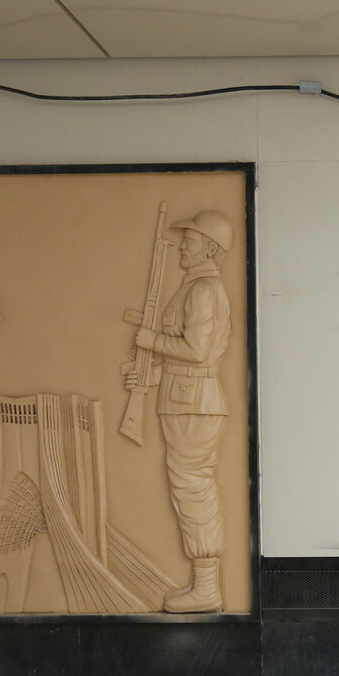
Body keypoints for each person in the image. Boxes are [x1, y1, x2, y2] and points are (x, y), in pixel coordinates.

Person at [129, 211, 234, 613]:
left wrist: (151, 341)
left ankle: (206, 587)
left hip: (195, 405)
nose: (182, 247)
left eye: (190, 240)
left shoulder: (205, 290)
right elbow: (188, 360)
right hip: (184, 399)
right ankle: (201, 581)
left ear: (210, 248)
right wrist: (150, 376)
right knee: (187, 487)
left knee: (193, 487)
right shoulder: (194, 287)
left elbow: (197, 352)